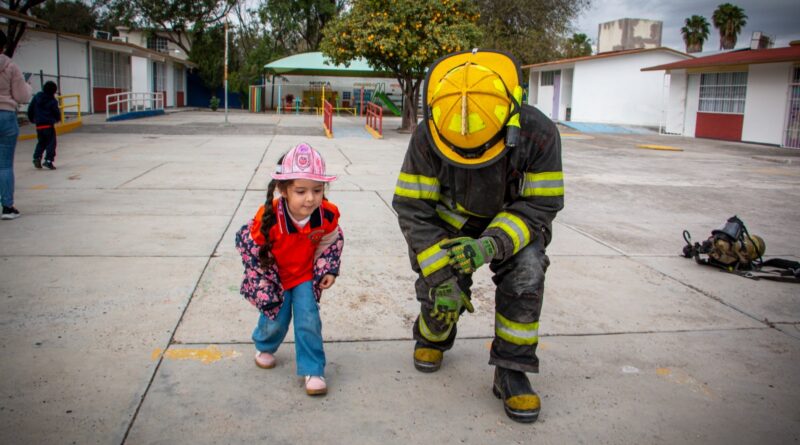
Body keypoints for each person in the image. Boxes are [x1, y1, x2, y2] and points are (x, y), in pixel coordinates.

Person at [392, 49, 564, 423]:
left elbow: (540, 206)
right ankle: (433, 336)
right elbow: (413, 209)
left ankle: (511, 369)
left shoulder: (539, 134)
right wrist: (440, 275)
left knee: (528, 271)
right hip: (451, 223)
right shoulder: (428, 134)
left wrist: (490, 244)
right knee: (441, 297)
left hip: (514, 223)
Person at [235, 142, 343, 396]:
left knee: (308, 320)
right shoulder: (268, 217)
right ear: (283, 190)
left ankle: (313, 369)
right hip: (275, 278)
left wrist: (327, 269)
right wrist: (264, 282)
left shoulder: (327, 215)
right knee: (276, 317)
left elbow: (332, 242)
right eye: (301, 191)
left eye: (317, 190)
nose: (310, 198)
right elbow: (251, 249)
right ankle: (264, 345)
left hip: (305, 276)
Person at [0, 29, 33, 220]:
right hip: (5, 115)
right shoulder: (11, 67)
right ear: (3, 46)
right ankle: (7, 207)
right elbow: (21, 96)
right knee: (4, 165)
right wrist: (28, 87)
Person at [28, 80, 61, 170]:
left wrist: (31, 118)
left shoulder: (37, 97)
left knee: (41, 142)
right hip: (48, 125)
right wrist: (58, 119)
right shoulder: (52, 100)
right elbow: (56, 112)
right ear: (54, 90)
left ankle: (37, 158)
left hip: (39, 125)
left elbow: (30, 108)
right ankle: (48, 160)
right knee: (51, 143)